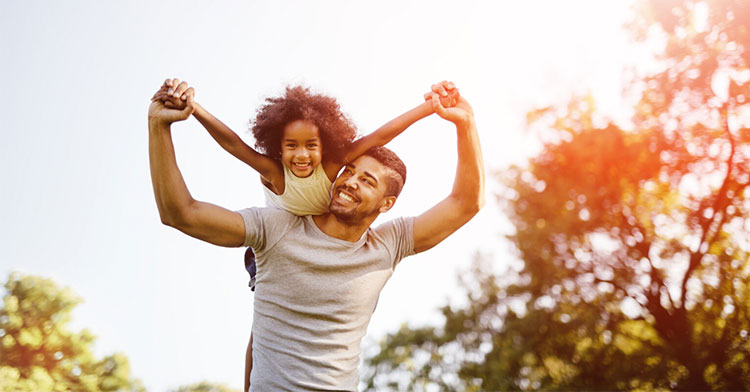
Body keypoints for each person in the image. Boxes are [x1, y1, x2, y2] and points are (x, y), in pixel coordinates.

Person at [148, 80, 484, 391]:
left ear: (387, 203)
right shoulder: (276, 227)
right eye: (349, 171)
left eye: (367, 181)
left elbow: (466, 203)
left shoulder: (387, 245)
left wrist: (465, 123)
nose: (351, 181)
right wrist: (159, 126)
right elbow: (181, 213)